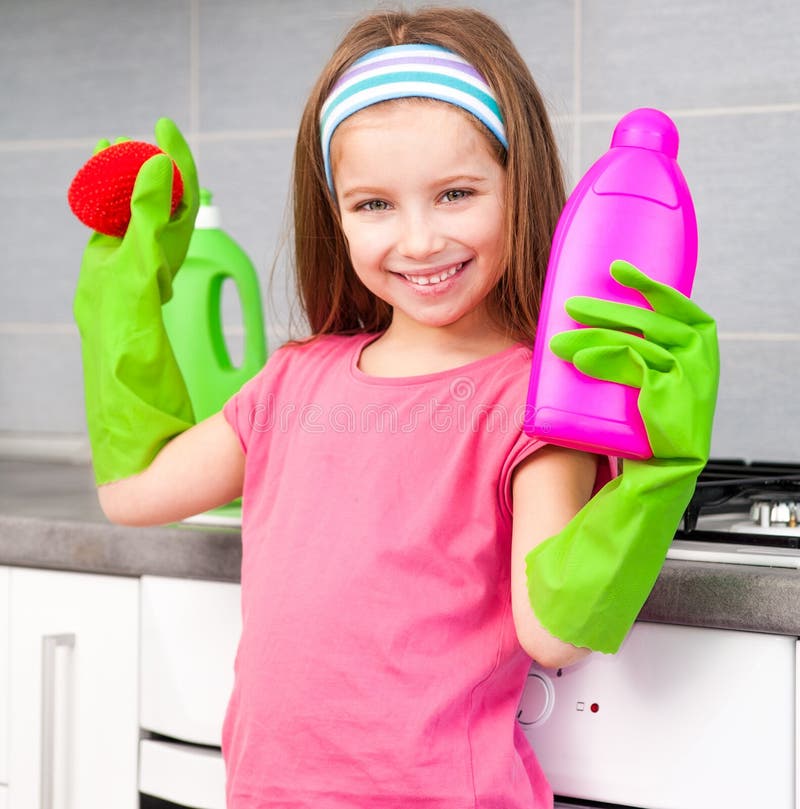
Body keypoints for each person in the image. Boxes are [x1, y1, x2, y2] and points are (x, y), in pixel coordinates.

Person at [73, 6, 718, 808]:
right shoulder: (293, 383)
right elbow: (135, 491)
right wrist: (124, 288)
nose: (417, 241)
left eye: (454, 193)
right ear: (334, 213)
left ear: (520, 187)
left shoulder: (529, 403)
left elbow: (553, 630)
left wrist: (660, 472)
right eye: (374, 204)